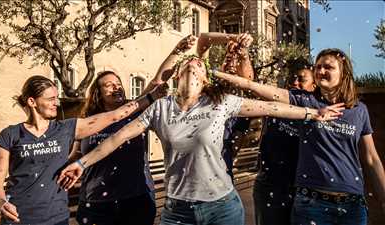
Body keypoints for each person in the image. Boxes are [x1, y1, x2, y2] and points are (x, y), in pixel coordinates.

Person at [57, 37, 343, 225]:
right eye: (187, 63)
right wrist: (82, 162)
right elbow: (118, 137)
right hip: (178, 211)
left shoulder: (221, 102)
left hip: (222, 207)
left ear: (206, 78)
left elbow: (271, 108)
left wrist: (312, 113)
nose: (192, 63)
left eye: (198, 64)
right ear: (178, 75)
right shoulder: (160, 108)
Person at [212, 48, 385, 225]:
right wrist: (217, 73)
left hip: (352, 206)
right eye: (317, 67)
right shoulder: (304, 100)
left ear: (344, 73)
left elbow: (371, 159)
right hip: (312, 204)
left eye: (328, 67)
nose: (320, 71)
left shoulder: (359, 110)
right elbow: (254, 87)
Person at [0, 75, 166, 225]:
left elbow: (116, 115)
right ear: (32, 101)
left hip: (56, 217)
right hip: (18, 218)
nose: (57, 103)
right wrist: (2, 203)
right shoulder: (10, 135)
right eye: (51, 99)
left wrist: (151, 97)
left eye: (56, 98)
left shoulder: (66, 128)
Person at [69, 71, 158, 225]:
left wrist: (178, 50)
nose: (116, 88)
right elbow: (74, 156)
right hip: (96, 203)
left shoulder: (136, 113)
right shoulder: (88, 121)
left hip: (136, 200)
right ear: (98, 94)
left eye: (118, 84)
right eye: (109, 85)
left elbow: (156, 82)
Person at [253, 58, 315, 225]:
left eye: (301, 79)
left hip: (303, 189)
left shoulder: (318, 112)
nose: (295, 82)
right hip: (270, 185)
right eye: (293, 78)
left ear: (314, 86)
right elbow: (252, 86)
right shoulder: (275, 103)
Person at [197, 32, 254, 181]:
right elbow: (203, 39)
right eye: (227, 58)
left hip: (222, 175)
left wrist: (244, 56)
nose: (231, 63)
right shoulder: (208, 84)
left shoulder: (242, 108)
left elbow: (235, 145)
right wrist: (234, 37)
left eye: (237, 60)